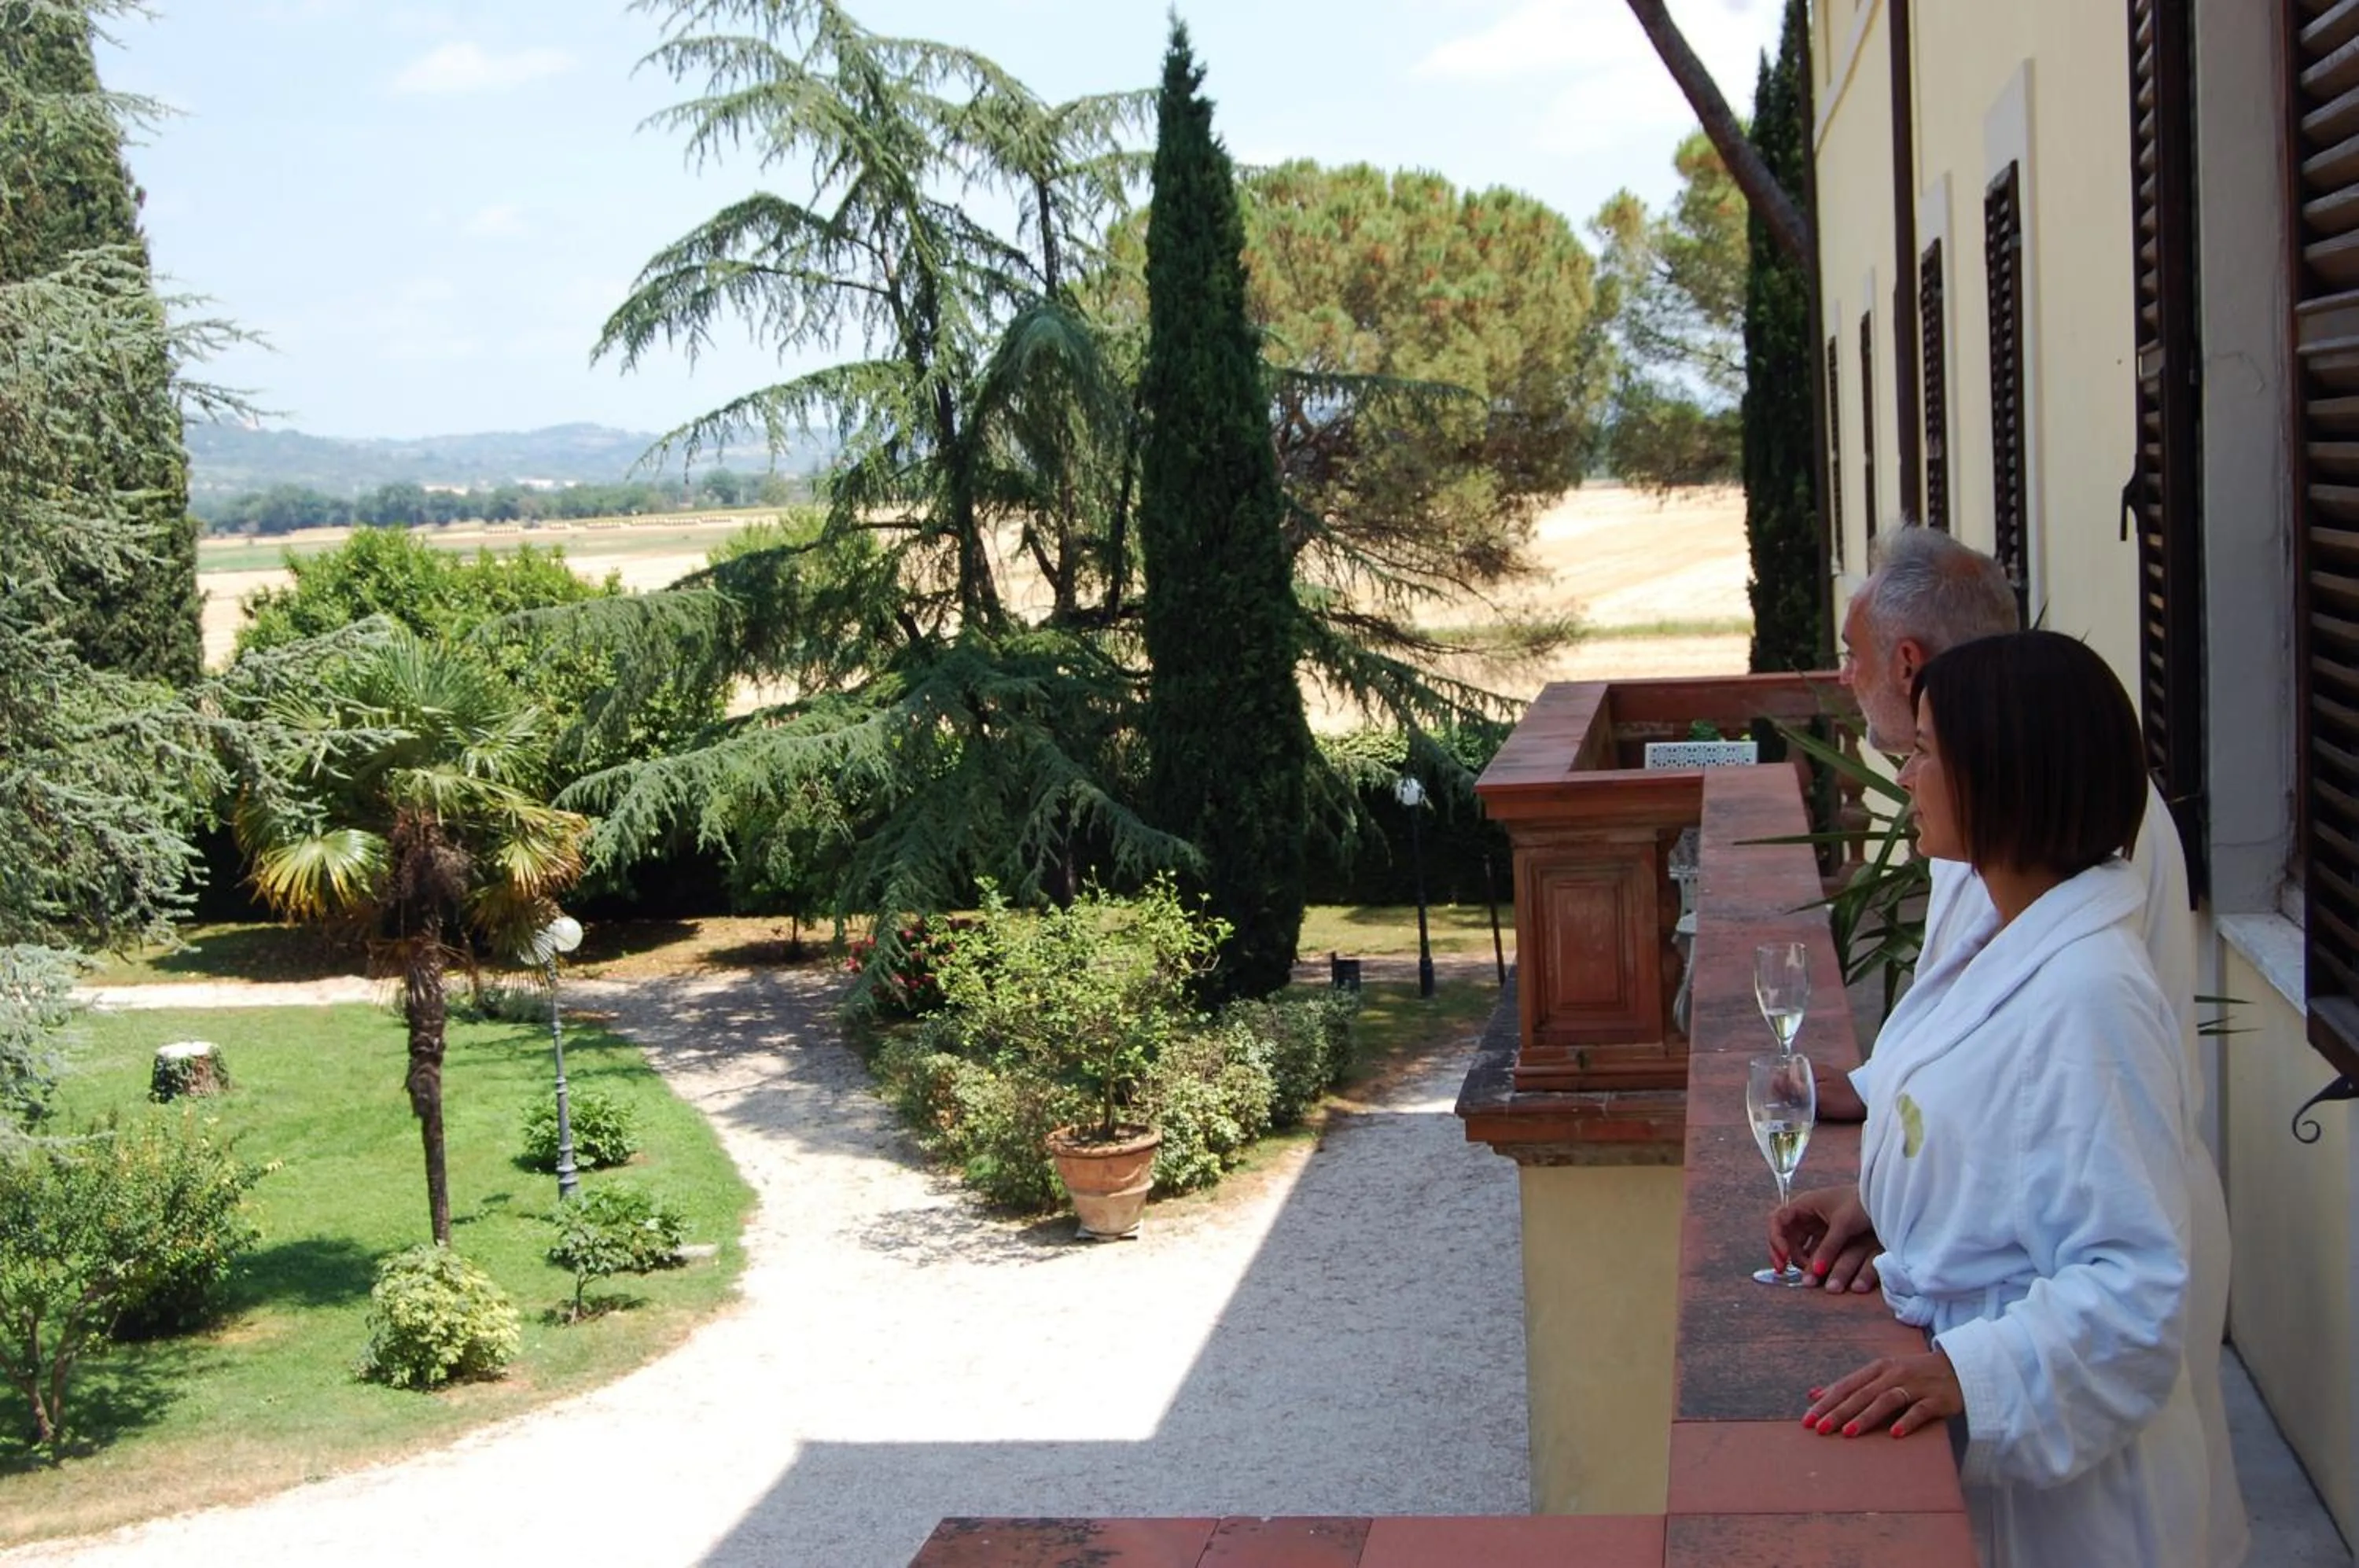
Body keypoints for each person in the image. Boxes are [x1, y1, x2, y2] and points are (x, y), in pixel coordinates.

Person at [1820, 528, 2246, 1568]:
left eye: (1926, 756)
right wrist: (1891, 1195)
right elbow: (1977, 1084)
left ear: (2001, 774)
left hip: (2084, 1500)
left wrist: (1977, 1372)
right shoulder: (2025, 901)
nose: (1907, 778)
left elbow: (2135, 1284)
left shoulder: (2090, 989)